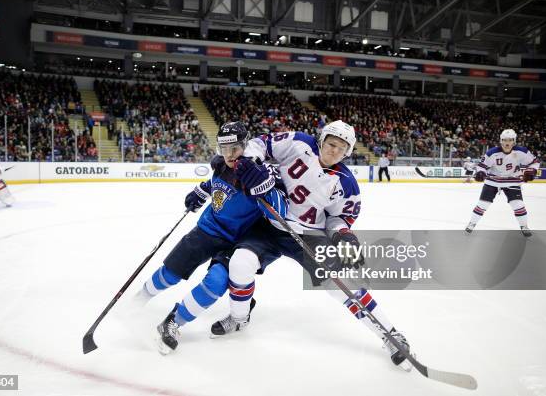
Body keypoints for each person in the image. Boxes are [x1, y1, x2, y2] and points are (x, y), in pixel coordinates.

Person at [210, 121, 412, 368]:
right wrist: (251, 161)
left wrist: (342, 235)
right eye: (331, 143)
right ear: (322, 140)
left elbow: (339, 218)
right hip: (270, 223)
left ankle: (390, 335)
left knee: (340, 284)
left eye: (341, 147)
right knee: (240, 263)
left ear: (347, 152)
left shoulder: (346, 183)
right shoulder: (298, 143)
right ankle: (239, 318)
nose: (334, 150)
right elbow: (260, 143)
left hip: (308, 235)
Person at [135, 122, 287, 354]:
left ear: (247, 146)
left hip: (237, 241)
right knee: (171, 272)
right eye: (223, 149)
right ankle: (140, 299)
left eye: (234, 148)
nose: (228, 155)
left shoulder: (261, 171)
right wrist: (201, 191)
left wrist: (264, 189)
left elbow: (278, 209)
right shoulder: (222, 164)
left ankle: (173, 322)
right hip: (207, 230)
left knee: (215, 283)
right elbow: (214, 183)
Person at [465, 129, 539, 236]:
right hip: (492, 181)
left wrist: (532, 171)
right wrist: (481, 173)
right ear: (501, 141)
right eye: (504, 140)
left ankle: (524, 226)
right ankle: (472, 223)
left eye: (510, 140)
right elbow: (482, 166)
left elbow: (534, 162)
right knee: (482, 204)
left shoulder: (522, 151)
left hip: (512, 181)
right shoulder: (492, 152)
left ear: (514, 141)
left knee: (518, 205)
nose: (507, 143)